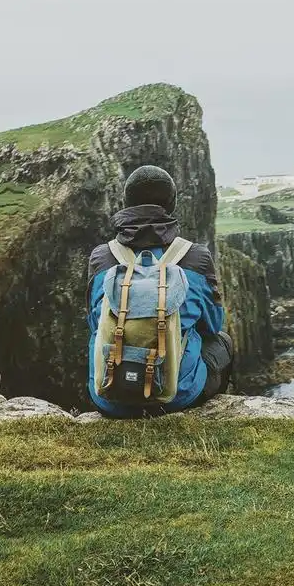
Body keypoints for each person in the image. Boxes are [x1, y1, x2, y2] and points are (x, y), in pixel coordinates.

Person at [87, 165, 233, 417]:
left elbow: (94, 323)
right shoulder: (195, 257)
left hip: (109, 396)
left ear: (126, 202)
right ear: (172, 204)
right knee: (223, 341)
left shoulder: (102, 257)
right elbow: (212, 324)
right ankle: (216, 415)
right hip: (177, 397)